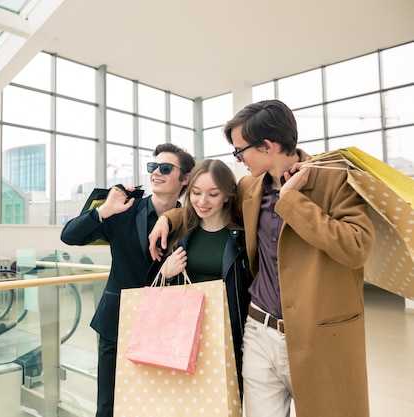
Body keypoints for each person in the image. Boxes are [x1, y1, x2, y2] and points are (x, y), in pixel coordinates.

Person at [148, 100, 375, 417]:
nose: (238, 158)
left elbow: (356, 247)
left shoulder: (335, 178)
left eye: (240, 150)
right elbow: (213, 204)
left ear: (268, 146)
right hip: (259, 331)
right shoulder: (249, 187)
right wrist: (169, 219)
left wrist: (291, 201)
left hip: (319, 335)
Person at [60, 143, 196, 417]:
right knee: (108, 406)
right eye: (152, 167)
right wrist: (103, 211)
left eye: (165, 168)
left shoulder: (191, 220)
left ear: (184, 179)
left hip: (165, 326)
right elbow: (69, 236)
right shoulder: (124, 210)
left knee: (154, 403)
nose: (156, 172)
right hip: (117, 322)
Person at [150, 158, 252, 396]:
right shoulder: (182, 232)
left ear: (227, 195)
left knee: (225, 400)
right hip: (182, 337)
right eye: (196, 193)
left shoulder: (242, 238)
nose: (202, 201)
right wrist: (165, 273)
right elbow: (160, 289)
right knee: (188, 401)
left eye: (213, 194)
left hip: (227, 335)